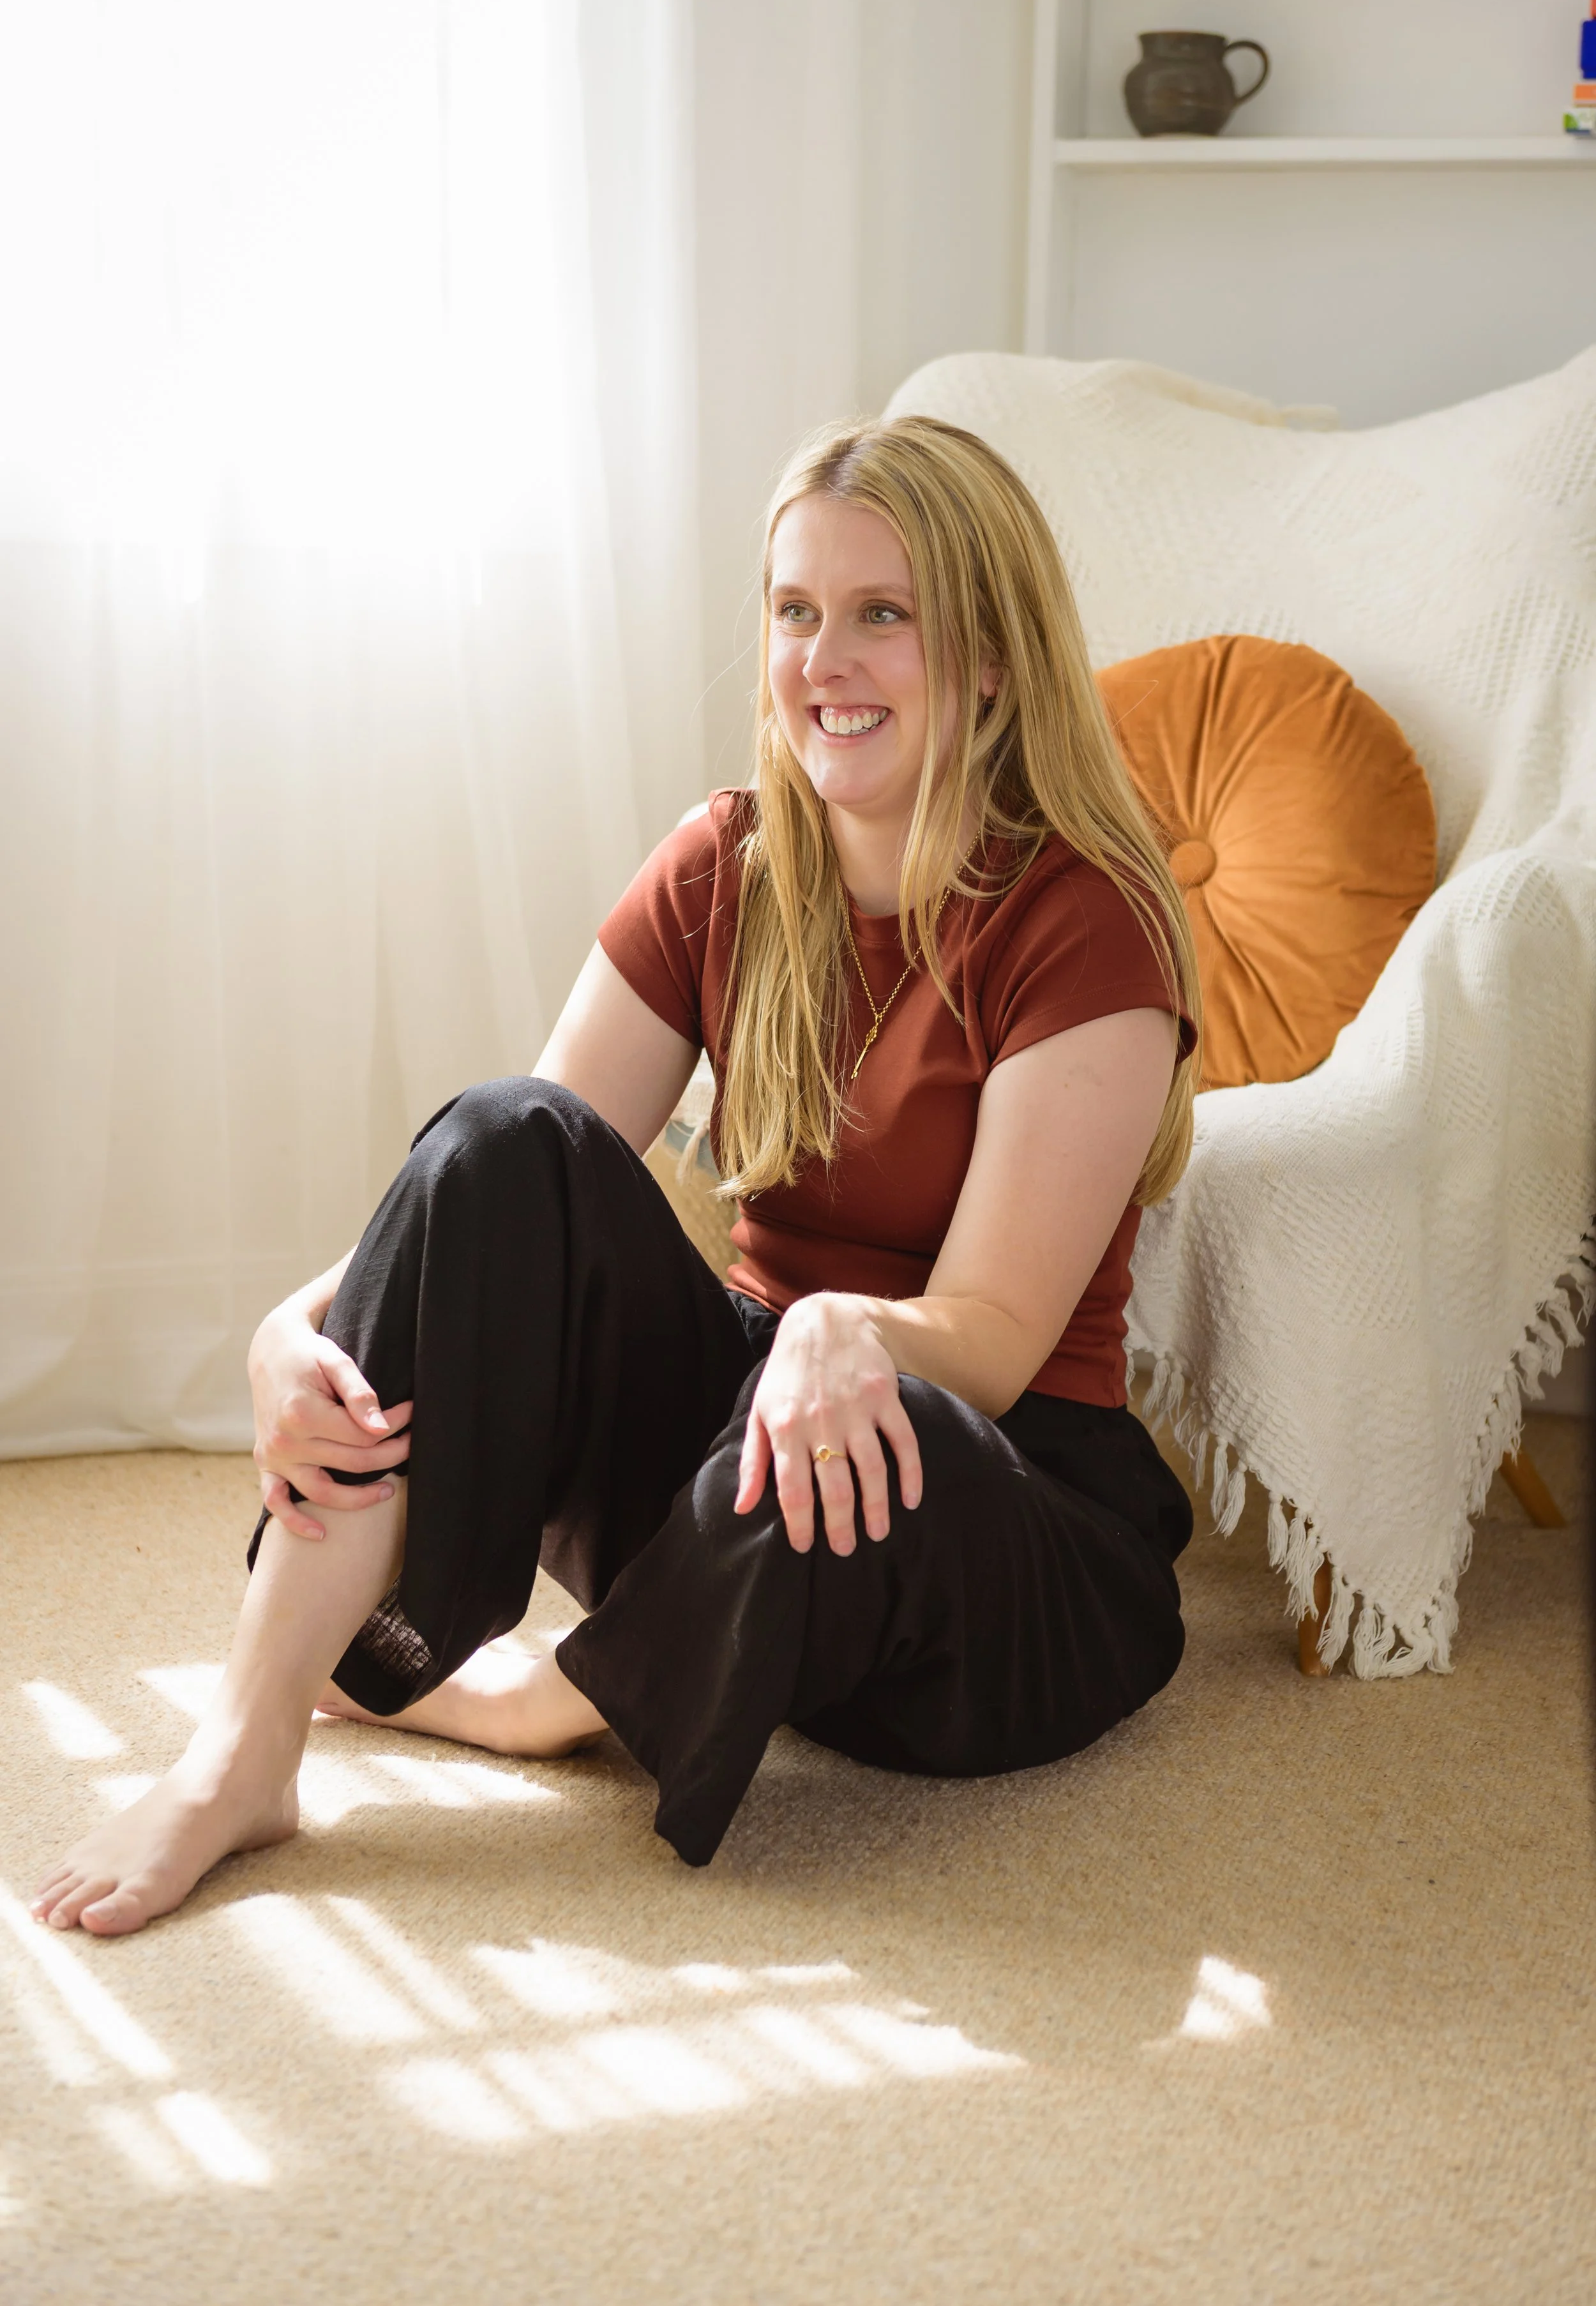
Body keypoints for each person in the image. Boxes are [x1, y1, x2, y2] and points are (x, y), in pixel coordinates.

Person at [32, 416, 1201, 1938]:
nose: (822, 661)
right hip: (746, 1461)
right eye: (794, 613)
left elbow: (983, 1338)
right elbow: (492, 1206)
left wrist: (842, 1331)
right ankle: (243, 1753)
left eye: (881, 615)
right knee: (503, 1130)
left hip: (1000, 1523)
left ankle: (535, 1707)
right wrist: (290, 1323)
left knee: (872, 1405)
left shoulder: (1082, 921)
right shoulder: (723, 867)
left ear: (987, 659)